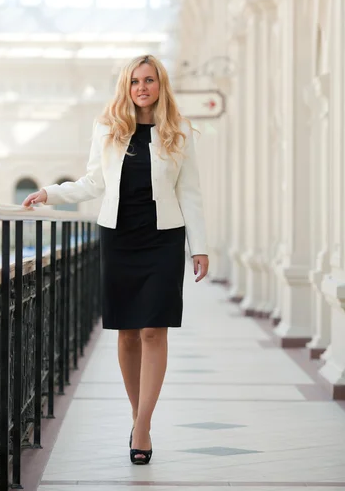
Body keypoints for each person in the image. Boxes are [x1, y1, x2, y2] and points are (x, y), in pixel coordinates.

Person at [22, 54, 209, 465]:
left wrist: (200, 246)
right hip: (119, 237)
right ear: (126, 87)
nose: (142, 87)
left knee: (153, 331)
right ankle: (137, 415)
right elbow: (94, 182)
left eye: (150, 80)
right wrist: (50, 193)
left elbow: (190, 192)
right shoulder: (108, 128)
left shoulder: (179, 131)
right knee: (126, 333)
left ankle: (142, 428)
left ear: (161, 86)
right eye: (135, 81)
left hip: (163, 238)